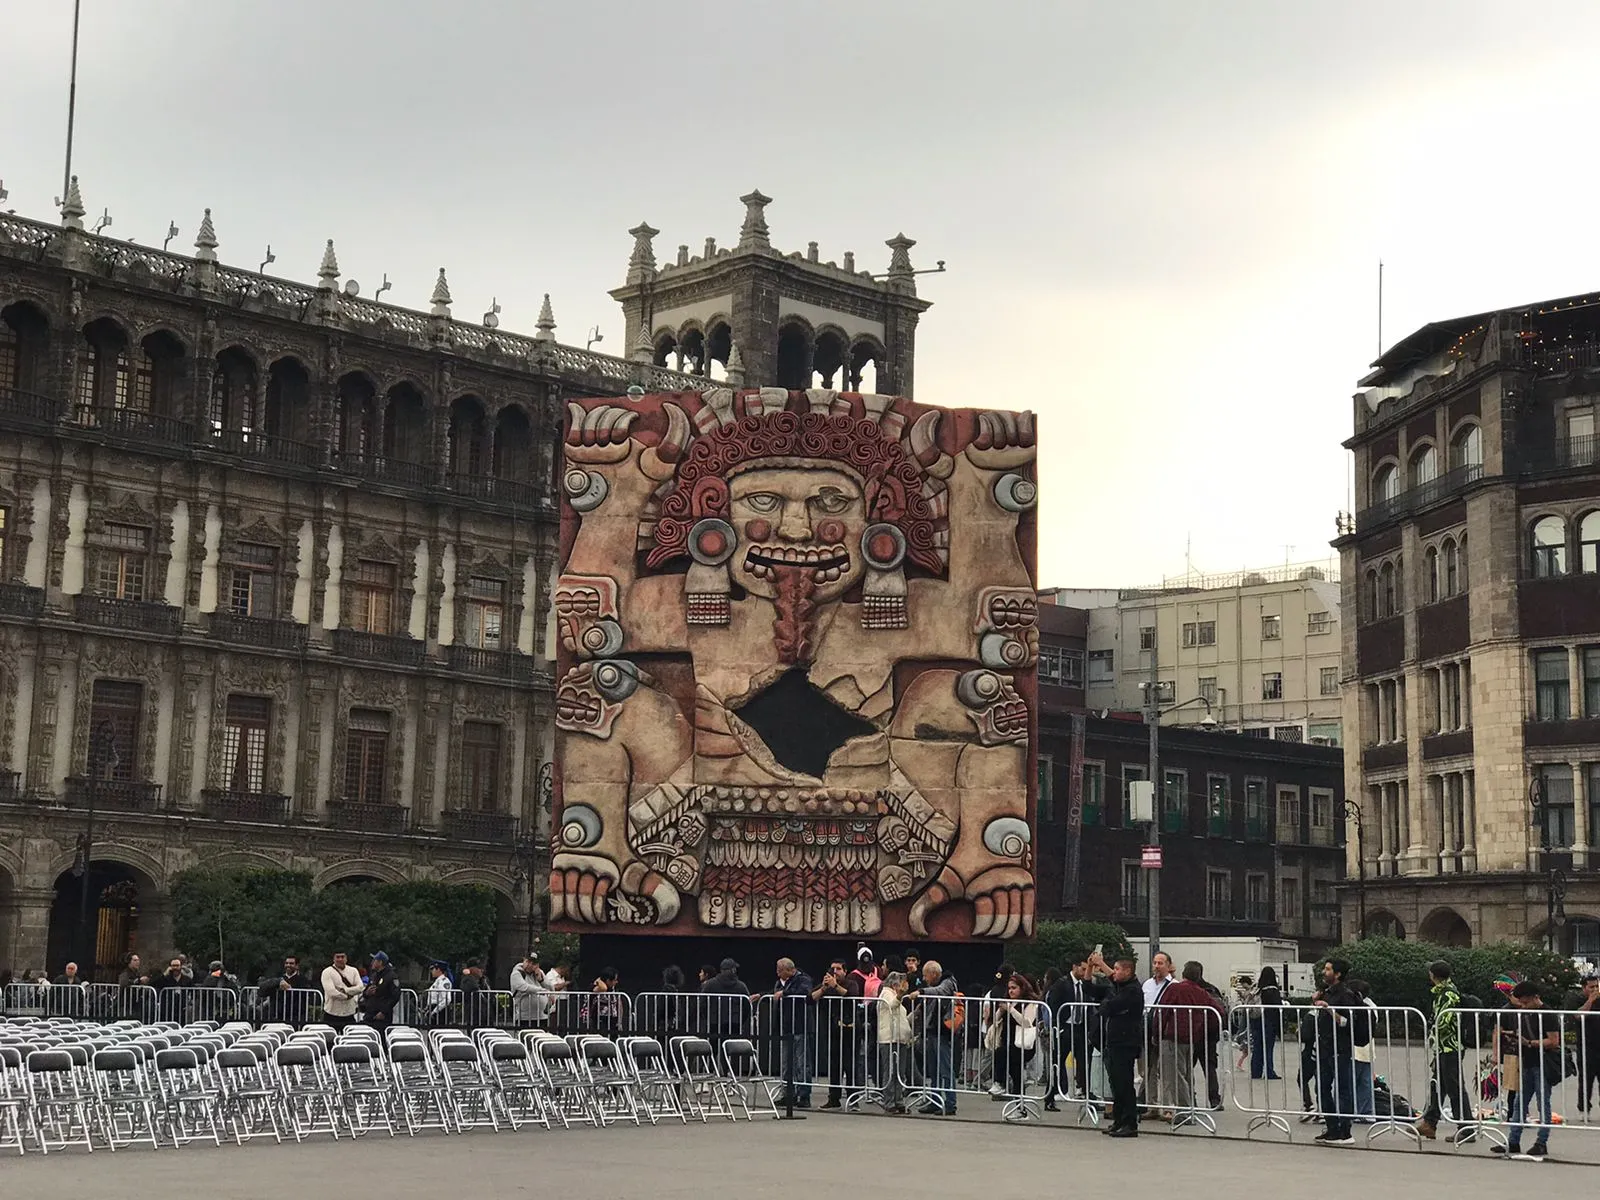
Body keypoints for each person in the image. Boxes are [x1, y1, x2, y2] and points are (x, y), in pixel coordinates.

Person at [1492, 981, 1560, 1159]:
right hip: (1526, 1061)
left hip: (1542, 1063)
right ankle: (1513, 1141)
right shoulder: (1522, 1013)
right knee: (1519, 1103)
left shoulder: (1547, 1014)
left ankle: (1541, 1142)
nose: (1522, 1006)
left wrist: (1530, 1043)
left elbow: (1553, 1041)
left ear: (1535, 998)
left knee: (1542, 1103)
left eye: (1525, 1002)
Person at [1152, 961, 1224, 1117]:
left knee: (1175, 1076)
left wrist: (1157, 1034)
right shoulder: (1202, 993)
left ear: (1184, 974)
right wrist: (1203, 1029)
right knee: (1186, 1075)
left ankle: (1185, 1110)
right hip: (1192, 1038)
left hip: (1172, 1036)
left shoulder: (1175, 988)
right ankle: (1192, 1106)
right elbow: (1217, 1012)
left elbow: (1162, 1013)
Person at [1417, 959, 1470, 1141]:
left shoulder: (1448, 994)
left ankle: (1466, 1128)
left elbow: (1444, 1021)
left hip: (1450, 1047)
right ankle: (1429, 1123)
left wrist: (1431, 1030)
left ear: (1433, 975)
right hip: (1442, 1047)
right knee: (1437, 1085)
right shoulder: (1441, 992)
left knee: (1454, 1088)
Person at [1045, 953, 1106, 1109]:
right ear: (1074, 967)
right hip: (1065, 1026)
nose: (1086, 972)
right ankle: (1050, 1096)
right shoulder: (1062, 984)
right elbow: (1053, 1005)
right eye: (1083, 968)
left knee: (1084, 1062)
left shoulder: (1085, 985)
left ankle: (1086, 1095)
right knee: (1057, 1061)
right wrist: (1056, 1026)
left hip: (1080, 1027)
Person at [1311, 958, 1359, 1145]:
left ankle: (1345, 1131)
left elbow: (1347, 1022)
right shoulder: (1327, 993)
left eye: (1328, 969)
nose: (1324, 972)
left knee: (1342, 1089)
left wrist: (1329, 1009)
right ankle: (1332, 1127)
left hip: (1339, 1048)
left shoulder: (1345, 995)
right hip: (1324, 1047)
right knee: (1322, 1088)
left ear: (1337, 974)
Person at [1096, 953, 1144, 1137]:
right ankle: (1118, 1120)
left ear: (1128, 971)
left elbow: (1110, 1006)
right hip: (1115, 1041)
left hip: (1126, 1041)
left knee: (1124, 1083)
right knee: (1116, 1082)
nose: (1113, 973)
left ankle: (1130, 1123)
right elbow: (1109, 999)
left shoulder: (1132, 990)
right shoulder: (1122, 986)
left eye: (1117, 969)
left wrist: (1107, 1004)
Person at [909, 959, 959, 1116]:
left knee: (945, 1068)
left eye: (925, 975)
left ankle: (950, 1103)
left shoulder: (948, 983)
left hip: (943, 1031)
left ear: (934, 974)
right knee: (934, 1069)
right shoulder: (935, 986)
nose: (924, 979)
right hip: (932, 1031)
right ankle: (935, 1100)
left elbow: (940, 991)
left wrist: (921, 992)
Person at [813, 956, 864, 1109]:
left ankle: (853, 1099)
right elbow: (810, 998)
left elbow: (853, 997)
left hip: (851, 1029)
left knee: (851, 1065)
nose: (835, 972)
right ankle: (833, 1098)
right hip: (833, 1030)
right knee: (834, 1065)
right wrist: (823, 988)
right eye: (833, 969)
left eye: (838, 969)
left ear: (845, 971)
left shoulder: (852, 983)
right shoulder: (827, 985)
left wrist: (835, 986)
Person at [989, 972, 1040, 1099]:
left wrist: (1011, 1010)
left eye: (1014, 988)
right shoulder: (1007, 1001)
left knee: (1001, 1054)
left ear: (1022, 988)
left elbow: (1027, 1022)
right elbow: (994, 1021)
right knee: (1015, 1073)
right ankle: (1019, 1105)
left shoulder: (1030, 1002)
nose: (1010, 991)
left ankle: (1000, 1083)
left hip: (1022, 1043)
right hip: (1008, 1041)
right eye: (1009, 988)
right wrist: (1000, 1011)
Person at [876, 971, 914, 1114]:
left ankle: (898, 1101)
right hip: (889, 1039)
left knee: (900, 1072)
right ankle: (889, 1102)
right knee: (890, 1072)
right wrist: (900, 995)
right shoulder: (886, 993)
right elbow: (892, 1005)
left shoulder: (896, 996)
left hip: (900, 1039)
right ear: (895, 984)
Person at [1141, 951, 1175, 1111]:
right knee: (1149, 1070)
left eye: (1160, 963)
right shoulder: (1147, 984)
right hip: (1148, 1031)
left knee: (1167, 1071)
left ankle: (1168, 1107)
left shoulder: (1175, 986)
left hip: (1166, 1032)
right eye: (1155, 963)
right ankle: (1151, 1106)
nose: (1157, 966)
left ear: (1169, 966)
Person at [1248, 966, 1285, 1080]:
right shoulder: (1273, 990)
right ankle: (1269, 1071)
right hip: (1268, 1022)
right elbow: (1277, 1008)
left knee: (1257, 1047)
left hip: (1256, 1020)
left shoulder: (1258, 989)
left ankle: (1256, 1071)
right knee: (1268, 1048)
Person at [1571, 975, 1600, 1117]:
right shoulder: (1578, 999)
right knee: (1586, 1081)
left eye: (1597, 986)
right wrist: (1591, 1000)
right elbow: (1577, 1016)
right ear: (1584, 988)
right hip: (1586, 1046)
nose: (1595, 989)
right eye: (1591, 987)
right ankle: (1584, 1109)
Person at [320, 951, 363, 1032]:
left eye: (342, 957)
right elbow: (332, 992)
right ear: (333, 959)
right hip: (331, 1014)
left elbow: (360, 988)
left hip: (349, 1014)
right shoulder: (327, 972)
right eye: (338, 957)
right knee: (329, 1041)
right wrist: (348, 996)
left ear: (346, 958)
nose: (340, 959)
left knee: (350, 1041)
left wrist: (346, 990)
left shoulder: (353, 971)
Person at [361, 951, 400, 1033]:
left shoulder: (391, 976)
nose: (372, 963)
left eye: (374, 960)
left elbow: (395, 996)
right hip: (370, 1014)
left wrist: (384, 1011)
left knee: (381, 1038)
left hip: (382, 1016)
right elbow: (365, 992)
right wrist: (367, 993)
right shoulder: (374, 975)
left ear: (380, 962)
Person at [509, 953, 551, 1028]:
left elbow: (551, 987)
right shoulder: (517, 973)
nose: (529, 965)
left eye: (533, 963)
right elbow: (524, 987)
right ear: (524, 961)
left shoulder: (539, 972)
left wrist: (541, 980)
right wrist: (541, 990)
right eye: (528, 962)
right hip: (524, 1017)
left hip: (542, 1016)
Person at [424, 961, 454, 1026]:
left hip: (440, 1011)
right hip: (434, 1009)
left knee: (438, 1033)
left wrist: (435, 1011)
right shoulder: (437, 981)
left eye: (433, 969)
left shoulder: (444, 981)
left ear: (438, 969)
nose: (431, 971)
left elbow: (447, 999)